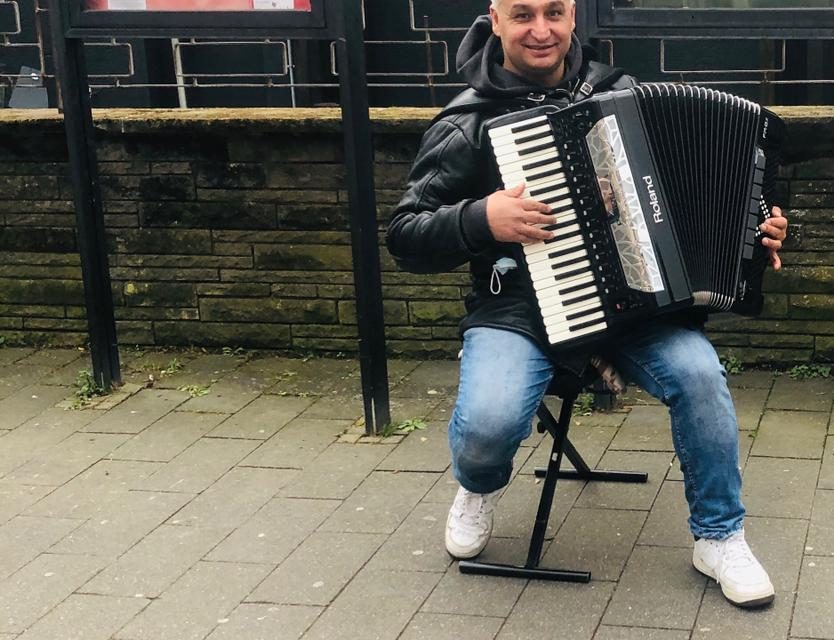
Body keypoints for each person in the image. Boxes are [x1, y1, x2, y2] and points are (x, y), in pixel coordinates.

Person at [386, 0, 788, 609]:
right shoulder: (466, 122)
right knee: (490, 424)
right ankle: (478, 486)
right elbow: (405, 234)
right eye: (523, 15)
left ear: (574, 17)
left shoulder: (619, 93)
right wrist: (481, 217)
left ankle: (719, 536)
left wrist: (758, 234)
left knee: (701, 376)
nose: (541, 30)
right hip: (517, 312)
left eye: (555, 12)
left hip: (637, 310)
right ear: (493, 20)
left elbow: (711, 194)